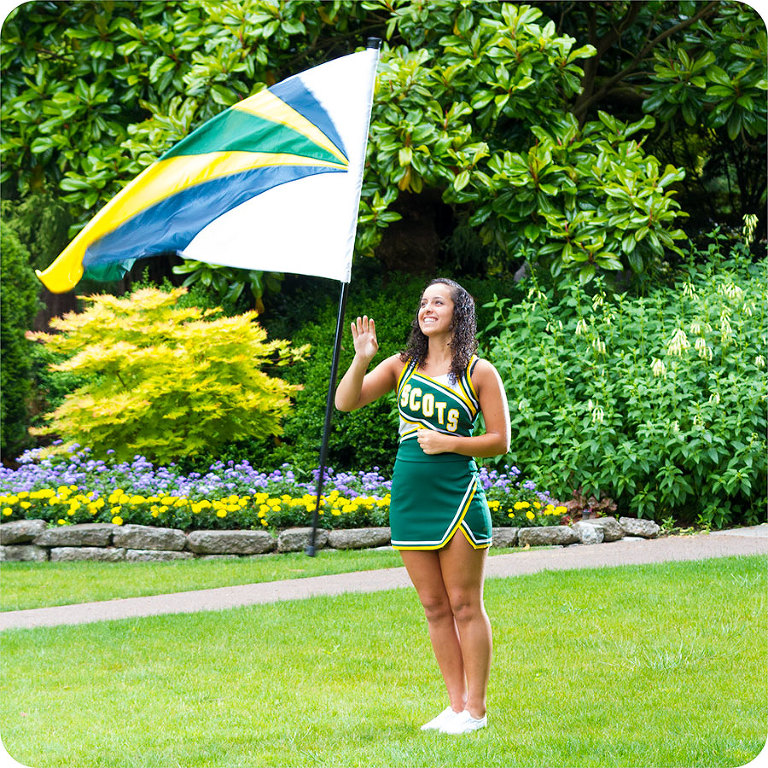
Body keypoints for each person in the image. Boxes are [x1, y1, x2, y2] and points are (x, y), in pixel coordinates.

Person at [335, 278, 511, 735]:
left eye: (439, 302)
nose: (427, 308)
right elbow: (346, 401)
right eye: (423, 302)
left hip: (458, 497)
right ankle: (454, 707)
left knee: (465, 605)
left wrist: (450, 443)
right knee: (434, 607)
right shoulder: (401, 365)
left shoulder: (478, 372)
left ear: (459, 313)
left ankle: (476, 710)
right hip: (409, 498)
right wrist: (360, 359)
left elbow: (499, 441)